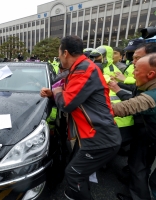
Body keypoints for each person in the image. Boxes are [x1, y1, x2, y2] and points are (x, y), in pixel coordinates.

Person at [41, 35, 121, 200]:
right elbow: (72, 95)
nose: (58, 57)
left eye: (59, 53)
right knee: (77, 172)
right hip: (91, 134)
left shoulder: (85, 69)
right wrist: (53, 95)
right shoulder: (78, 69)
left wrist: (56, 91)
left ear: (65, 53)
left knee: (73, 174)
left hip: (100, 137)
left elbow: (67, 103)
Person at [109, 43, 156, 200]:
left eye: (137, 68)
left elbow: (130, 105)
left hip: (151, 137)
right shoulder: (154, 85)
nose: (132, 72)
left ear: (151, 73)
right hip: (154, 139)